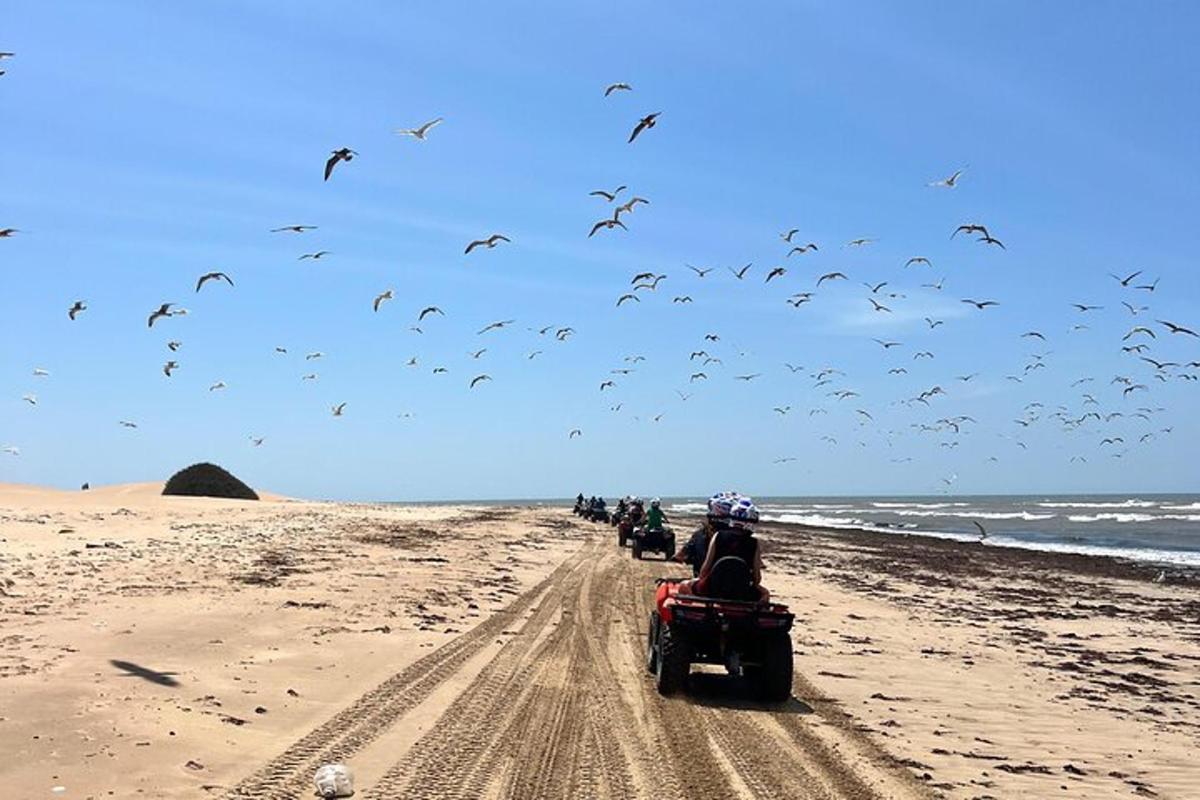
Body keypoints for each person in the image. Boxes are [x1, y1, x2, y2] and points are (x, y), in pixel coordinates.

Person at [684, 493, 768, 602]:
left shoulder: (718, 536)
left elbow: (704, 570)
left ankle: (696, 608)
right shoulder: (754, 543)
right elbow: (757, 579)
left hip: (713, 589)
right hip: (742, 592)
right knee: (765, 594)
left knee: (684, 585)